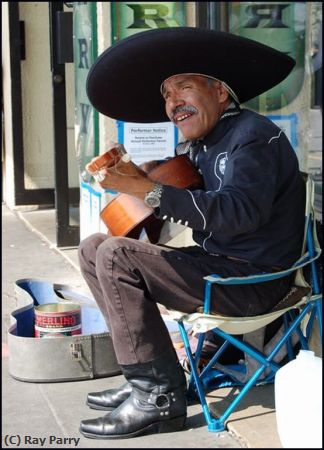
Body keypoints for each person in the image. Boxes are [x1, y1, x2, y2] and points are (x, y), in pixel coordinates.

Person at [78, 27, 305, 439]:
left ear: (220, 92)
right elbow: (172, 222)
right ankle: (149, 378)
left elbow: (241, 213)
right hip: (218, 269)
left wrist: (146, 189)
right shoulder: (198, 146)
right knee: (95, 247)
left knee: (114, 255)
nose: (172, 102)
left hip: (256, 280)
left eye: (184, 86)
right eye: (166, 94)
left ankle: (159, 398)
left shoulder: (253, 136)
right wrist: (137, 192)